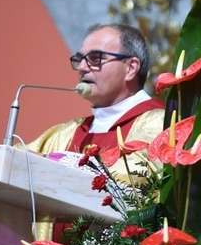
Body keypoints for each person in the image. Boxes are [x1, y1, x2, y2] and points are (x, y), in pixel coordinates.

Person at [26, 22, 165, 163]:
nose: (81, 67)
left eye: (95, 58)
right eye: (79, 59)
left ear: (130, 68)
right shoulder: (66, 134)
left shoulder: (160, 124)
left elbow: (132, 176)